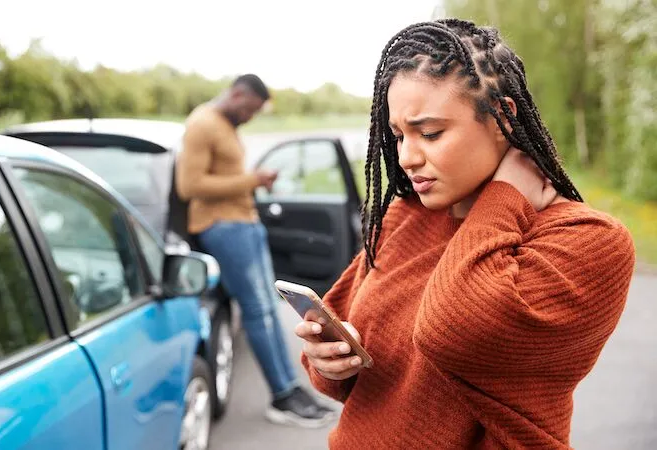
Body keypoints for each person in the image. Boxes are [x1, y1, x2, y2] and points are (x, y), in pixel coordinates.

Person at [295, 19, 635, 449]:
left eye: (430, 133)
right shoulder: (404, 217)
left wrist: (504, 195)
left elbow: (453, 331)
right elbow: (352, 372)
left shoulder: (588, 241)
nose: (406, 158)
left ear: (502, 119)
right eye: (398, 135)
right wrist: (328, 363)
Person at [174, 74, 335, 427]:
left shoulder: (225, 124)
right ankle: (282, 397)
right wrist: (253, 180)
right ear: (236, 94)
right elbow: (189, 185)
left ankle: (292, 388)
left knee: (268, 309)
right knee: (258, 311)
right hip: (223, 228)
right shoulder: (203, 123)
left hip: (244, 224)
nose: (249, 117)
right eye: (248, 109)